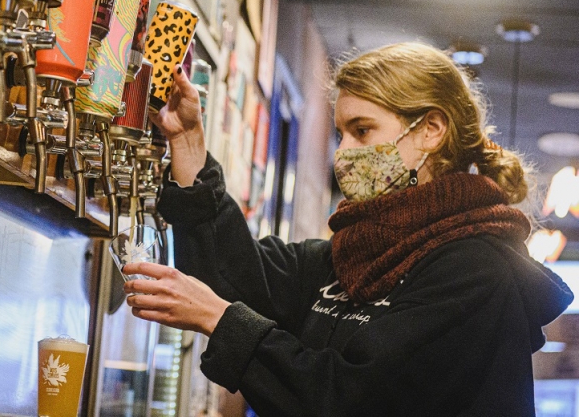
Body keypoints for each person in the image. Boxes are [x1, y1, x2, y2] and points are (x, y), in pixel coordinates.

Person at [122, 42, 573, 416]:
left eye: (362, 130)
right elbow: (234, 275)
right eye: (340, 133)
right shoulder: (353, 255)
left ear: (432, 129)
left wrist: (220, 319)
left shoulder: (475, 272)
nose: (343, 153)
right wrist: (187, 142)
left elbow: (352, 400)